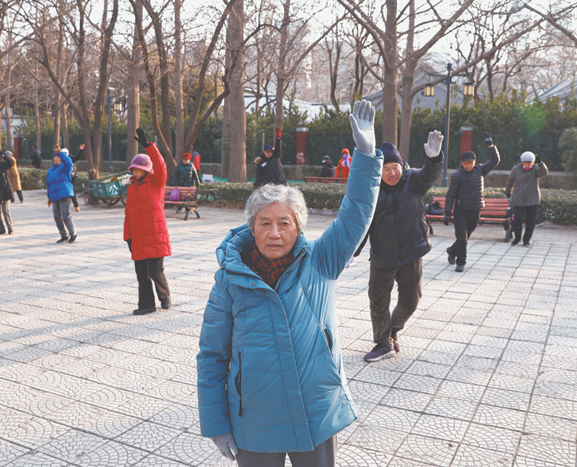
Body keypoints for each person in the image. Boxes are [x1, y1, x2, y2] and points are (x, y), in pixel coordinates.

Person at [198, 100, 383, 467]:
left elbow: (355, 215)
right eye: (265, 223)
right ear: (252, 228)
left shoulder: (320, 259)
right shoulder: (230, 280)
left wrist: (366, 156)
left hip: (315, 412)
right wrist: (215, 423)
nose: (274, 232)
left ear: (298, 227)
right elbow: (212, 355)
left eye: (284, 223)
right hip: (255, 420)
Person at [354, 132, 444, 363]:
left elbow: (430, 174)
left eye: (395, 167)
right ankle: (383, 343)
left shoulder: (413, 181)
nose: (392, 173)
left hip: (411, 252)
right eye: (386, 169)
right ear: (379, 171)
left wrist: (433, 159)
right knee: (378, 299)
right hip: (383, 255)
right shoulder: (372, 190)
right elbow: (362, 221)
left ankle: (392, 331)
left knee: (411, 300)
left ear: (402, 166)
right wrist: (351, 249)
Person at [124, 128, 172, 316]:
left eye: (139, 169)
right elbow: (128, 215)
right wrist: (128, 237)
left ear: (145, 170)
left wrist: (148, 146)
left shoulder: (156, 183)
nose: (135, 172)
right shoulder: (132, 189)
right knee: (141, 275)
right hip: (137, 238)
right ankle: (146, 305)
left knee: (155, 272)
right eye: (134, 169)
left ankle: (164, 297)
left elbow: (161, 165)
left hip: (154, 237)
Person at [444, 133, 500, 272]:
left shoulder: (480, 170)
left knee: (466, 236)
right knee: (462, 237)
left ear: (475, 162)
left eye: (471, 162)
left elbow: (495, 160)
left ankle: (451, 251)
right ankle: (460, 262)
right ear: (462, 163)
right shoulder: (457, 176)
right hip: (461, 211)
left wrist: (490, 145)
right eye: (466, 162)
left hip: (476, 209)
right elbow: (451, 194)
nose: (468, 165)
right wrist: (446, 212)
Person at [505, 151, 548, 247]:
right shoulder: (516, 169)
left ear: (533, 162)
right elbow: (510, 180)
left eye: (529, 162)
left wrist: (541, 164)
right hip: (518, 198)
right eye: (525, 162)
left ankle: (526, 240)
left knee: (530, 221)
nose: (527, 164)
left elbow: (543, 173)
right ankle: (517, 238)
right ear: (522, 162)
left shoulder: (536, 169)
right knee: (518, 219)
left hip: (532, 199)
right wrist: (507, 191)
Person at [47, 149, 78, 244]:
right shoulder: (50, 170)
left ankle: (73, 233)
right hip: (54, 195)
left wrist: (60, 152)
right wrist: (49, 197)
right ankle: (64, 235)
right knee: (57, 216)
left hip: (64, 194)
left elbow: (69, 161)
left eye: (58, 157)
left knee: (66, 215)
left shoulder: (65, 167)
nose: (56, 159)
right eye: (55, 157)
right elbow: (49, 184)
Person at [69, 144, 86, 212]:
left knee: (72, 191)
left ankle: (76, 205)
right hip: (63, 178)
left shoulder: (69, 158)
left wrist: (80, 150)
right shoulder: (59, 159)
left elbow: (76, 157)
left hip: (71, 176)